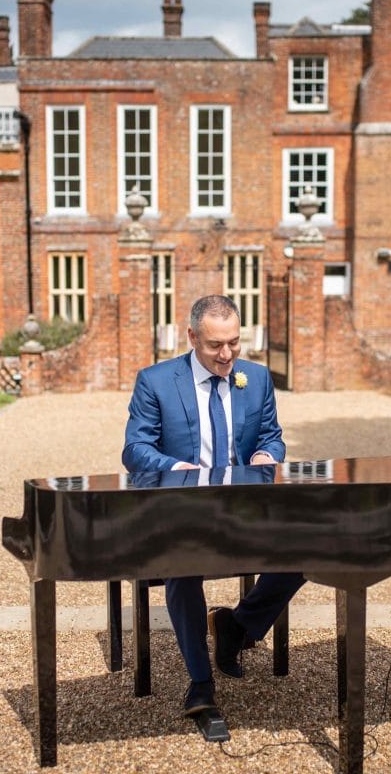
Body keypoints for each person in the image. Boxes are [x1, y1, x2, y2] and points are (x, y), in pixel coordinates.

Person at [122, 294, 305, 722]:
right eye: (215, 345)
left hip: (245, 511)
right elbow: (135, 449)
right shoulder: (155, 381)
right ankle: (201, 681)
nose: (226, 355)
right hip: (181, 513)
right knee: (183, 565)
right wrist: (174, 467)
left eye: (234, 343)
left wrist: (267, 455)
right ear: (191, 337)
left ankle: (236, 626)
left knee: (305, 548)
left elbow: (271, 436)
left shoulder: (256, 378)